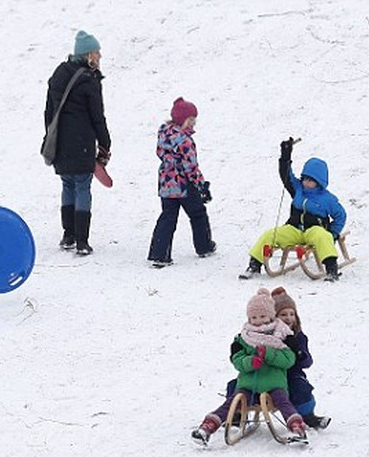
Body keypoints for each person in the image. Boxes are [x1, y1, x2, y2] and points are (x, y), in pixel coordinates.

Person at [192, 288, 306, 444]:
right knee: (232, 403)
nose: (258, 320)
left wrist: (268, 354)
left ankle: (297, 428)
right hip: (248, 384)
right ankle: (206, 428)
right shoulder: (243, 337)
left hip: (274, 384)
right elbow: (237, 360)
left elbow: (289, 359)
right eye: (253, 317)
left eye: (262, 316)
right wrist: (250, 361)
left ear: (271, 316)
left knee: (284, 402)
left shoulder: (282, 335)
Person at [242, 138, 348, 281]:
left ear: (319, 182)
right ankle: (254, 265)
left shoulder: (327, 198)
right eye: (304, 178)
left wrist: (333, 233)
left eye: (310, 180)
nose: (305, 182)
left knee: (323, 236)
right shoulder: (298, 189)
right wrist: (286, 155)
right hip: (294, 229)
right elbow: (285, 175)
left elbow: (340, 215)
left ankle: (331, 269)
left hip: (314, 230)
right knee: (270, 234)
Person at [44, 30, 111, 256]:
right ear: (88, 54)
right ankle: (82, 241)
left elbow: (49, 111)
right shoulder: (89, 80)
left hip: (61, 142)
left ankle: (68, 235)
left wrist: (50, 135)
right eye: (97, 52)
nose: (100, 56)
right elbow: (97, 116)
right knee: (83, 186)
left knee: (68, 185)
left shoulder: (59, 74)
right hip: (82, 141)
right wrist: (105, 142)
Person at [225, 287, 330, 430]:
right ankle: (236, 416)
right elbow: (242, 348)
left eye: (292, 314)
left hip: (291, 375)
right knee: (234, 385)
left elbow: (307, 362)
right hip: (264, 374)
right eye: (283, 314)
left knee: (301, 388)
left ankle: (308, 417)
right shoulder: (261, 335)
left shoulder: (298, 336)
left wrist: (300, 354)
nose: (288, 318)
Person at [146, 97, 216, 267]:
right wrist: (201, 185)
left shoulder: (164, 134)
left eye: (194, 120)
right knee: (198, 213)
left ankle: (159, 254)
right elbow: (190, 167)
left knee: (167, 217)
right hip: (184, 185)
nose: (193, 124)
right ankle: (204, 246)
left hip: (166, 182)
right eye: (190, 120)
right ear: (181, 120)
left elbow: (160, 153)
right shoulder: (185, 141)